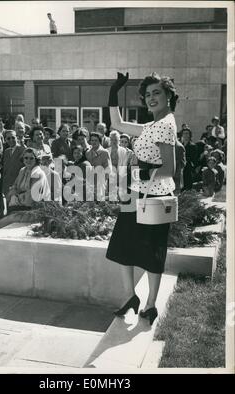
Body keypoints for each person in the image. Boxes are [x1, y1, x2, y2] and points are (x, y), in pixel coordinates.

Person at [106, 72, 177, 326]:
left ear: (168, 95)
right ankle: (130, 297)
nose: (151, 98)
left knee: (152, 252)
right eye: (147, 94)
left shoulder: (167, 124)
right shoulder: (151, 125)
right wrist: (114, 91)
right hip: (138, 192)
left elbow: (169, 168)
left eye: (156, 92)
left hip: (155, 196)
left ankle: (150, 305)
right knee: (122, 245)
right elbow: (117, 124)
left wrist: (140, 171)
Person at [2, 130, 25, 197]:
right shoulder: (6, 151)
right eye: (8, 138)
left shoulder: (23, 150)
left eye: (13, 137)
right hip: (8, 186)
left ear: (16, 138)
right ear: (5, 140)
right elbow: (5, 170)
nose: (11, 140)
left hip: (19, 186)